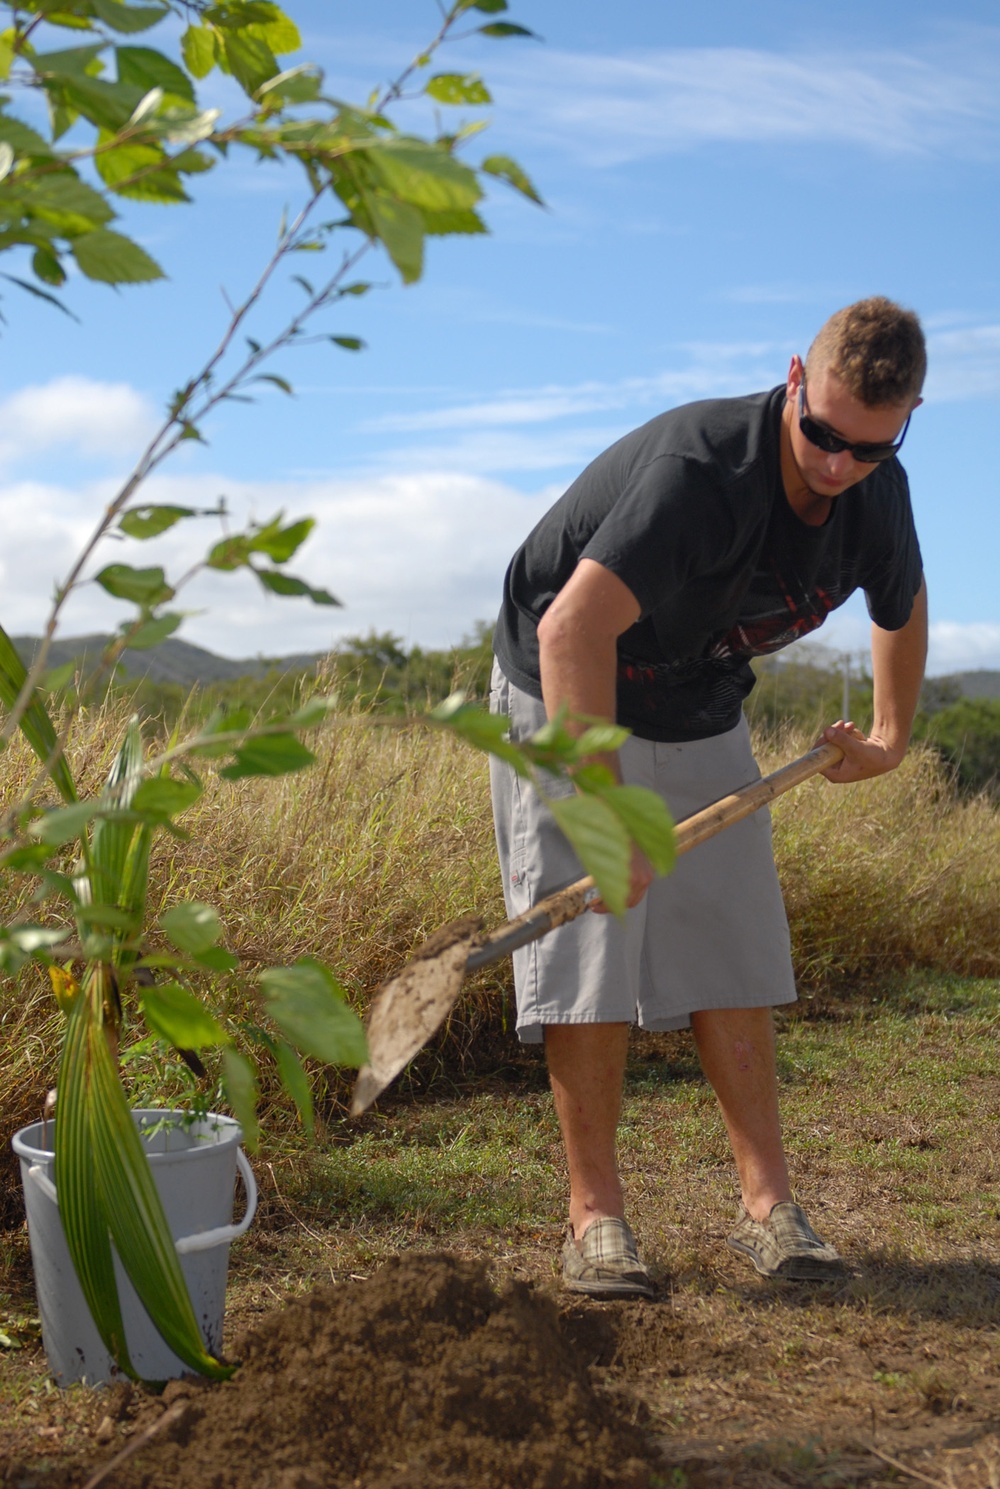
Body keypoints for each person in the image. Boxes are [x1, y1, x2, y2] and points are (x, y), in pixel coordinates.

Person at [488, 296, 928, 1297]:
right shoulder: (701, 475)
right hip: (569, 680)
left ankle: (769, 1209)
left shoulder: (875, 489)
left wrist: (892, 736)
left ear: (901, 422)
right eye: (820, 434)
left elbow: (898, 603)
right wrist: (601, 819)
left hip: (696, 700)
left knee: (731, 936)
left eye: (866, 447)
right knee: (593, 944)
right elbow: (569, 632)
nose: (834, 464)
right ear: (792, 380)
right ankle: (595, 1218)